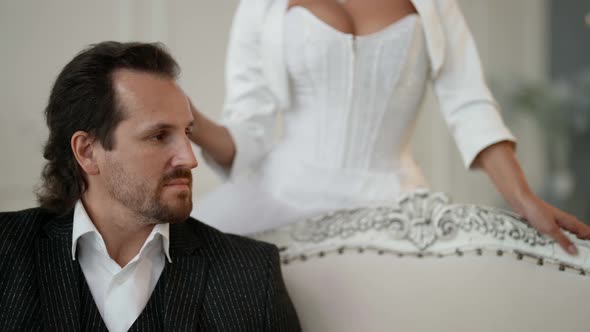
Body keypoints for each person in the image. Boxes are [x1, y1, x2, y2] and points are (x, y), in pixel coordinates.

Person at [189, 0, 590, 254]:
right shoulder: (261, 7)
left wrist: (524, 199)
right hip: (279, 201)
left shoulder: (436, 5)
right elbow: (247, 138)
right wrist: (186, 119)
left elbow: (470, 106)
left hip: (396, 208)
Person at [0, 41, 300, 331]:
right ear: (87, 152)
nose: (189, 159)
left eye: (187, 132)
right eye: (158, 136)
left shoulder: (250, 274)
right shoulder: (7, 251)